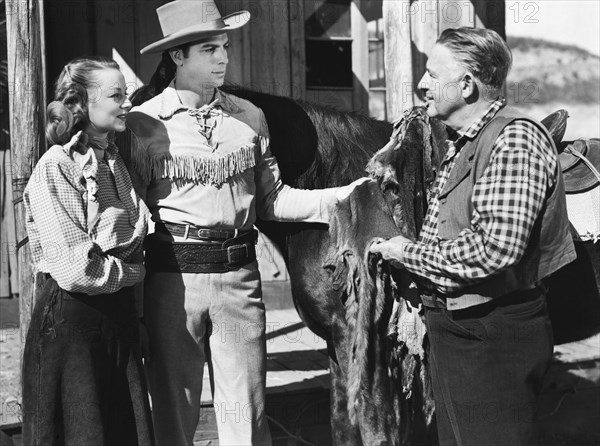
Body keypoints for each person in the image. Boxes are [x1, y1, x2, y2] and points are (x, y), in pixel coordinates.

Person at [124, 1, 369, 445]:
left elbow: (274, 200)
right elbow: (132, 220)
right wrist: (137, 305)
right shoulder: (143, 124)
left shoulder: (249, 118)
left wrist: (346, 196)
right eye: (208, 49)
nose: (223, 57)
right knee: (173, 419)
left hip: (239, 278)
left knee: (247, 417)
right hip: (172, 283)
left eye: (224, 46)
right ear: (177, 56)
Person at [370, 27, 576, 445]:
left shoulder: (513, 138)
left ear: (466, 84)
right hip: (462, 331)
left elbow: (494, 249)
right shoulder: (465, 141)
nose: (423, 85)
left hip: (493, 335)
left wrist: (404, 253)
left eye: (431, 73)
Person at [22, 57, 153, 445]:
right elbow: (78, 270)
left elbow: (130, 236)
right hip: (71, 328)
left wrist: (114, 243)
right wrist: (135, 271)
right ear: (81, 103)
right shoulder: (56, 167)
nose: (127, 103)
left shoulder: (114, 161)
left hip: (117, 320)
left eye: (126, 94)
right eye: (117, 95)